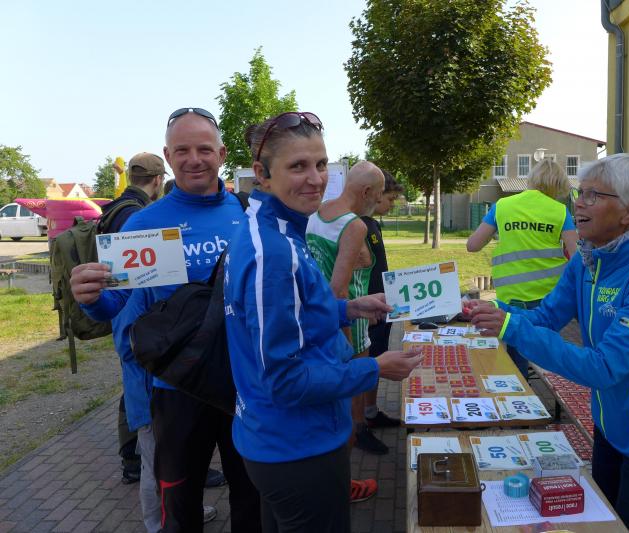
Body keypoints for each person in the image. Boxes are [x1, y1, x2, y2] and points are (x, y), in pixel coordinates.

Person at [468, 154, 629, 532]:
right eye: (580, 193)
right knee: (602, 523)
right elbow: (545, 317)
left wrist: (512, 327)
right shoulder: (588, 261)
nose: (579, 204)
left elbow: (604, 368)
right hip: (610, 425)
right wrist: (495, 311)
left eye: (594, 195)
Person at [224, 111, 423, 532]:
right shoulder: (273, 252)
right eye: (298, 166)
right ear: (262, 174)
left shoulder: (276, 227)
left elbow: (285, 312)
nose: (315, 179)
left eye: (320, 164)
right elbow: (284, 380)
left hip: (282, 441)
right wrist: (374, 368)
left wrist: (348, 309)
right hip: (297, 446)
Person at [71, 108, 260, 532]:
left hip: (245, 383)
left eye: (204, 149)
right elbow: (114, 304)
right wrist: (91, 299)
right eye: (182, 150)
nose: (194, 159)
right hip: (178, 389)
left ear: (222, 154)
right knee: (179, 507)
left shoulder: (249, 214)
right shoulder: (145, 224)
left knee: (252, 500)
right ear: (168, 157)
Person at [306, 160, 389, 460]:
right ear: (366, 191)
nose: (379, 201)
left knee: (332, 402)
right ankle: (346, 465)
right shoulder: (354, 225)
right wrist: (346, 343)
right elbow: (339, 291)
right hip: (348, 322)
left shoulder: (318, 212)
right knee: (352, 399)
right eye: (378, 194)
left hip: (317, 315)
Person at [466, 158, 578, 375]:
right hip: (548, 299)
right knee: (545, 353)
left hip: (511, 297)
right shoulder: (560, 211)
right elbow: (576, 258)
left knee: (516, 360)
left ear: (532, 179)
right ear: (558, 185)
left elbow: (473, 245)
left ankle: (518, 390)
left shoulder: (503, 206)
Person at [103, 152, 166, 530]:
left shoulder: (114, 210)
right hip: (140, 345)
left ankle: (167, 512)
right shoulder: (137, 220)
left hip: (133, 339)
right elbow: (131, 296)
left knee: (152, 443)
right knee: (155, 449)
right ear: (158, 180)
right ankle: (157, 522)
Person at [360, 170, 405, 434]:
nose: (391, 204)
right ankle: (361, 420)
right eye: (390, 198)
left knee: (376, 357)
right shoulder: (358, 226)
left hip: (381, 306)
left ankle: (370, 411)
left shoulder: (371, 224)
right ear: (375, 194)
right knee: (368, 361)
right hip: (368, 310)